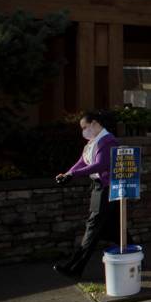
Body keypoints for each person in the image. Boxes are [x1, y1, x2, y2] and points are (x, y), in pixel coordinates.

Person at [53, 110, 132, 280]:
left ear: (95, 123)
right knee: (112, 228)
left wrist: (73, 175)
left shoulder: (108, 141)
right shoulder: (93, 142)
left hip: (106, 190)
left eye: (85, 127)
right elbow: (82, 161)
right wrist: (67, 174)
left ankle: (75, 267)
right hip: (99, 188)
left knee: (93, 227)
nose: (84, 131)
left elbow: (100, 164)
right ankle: (135, 256)